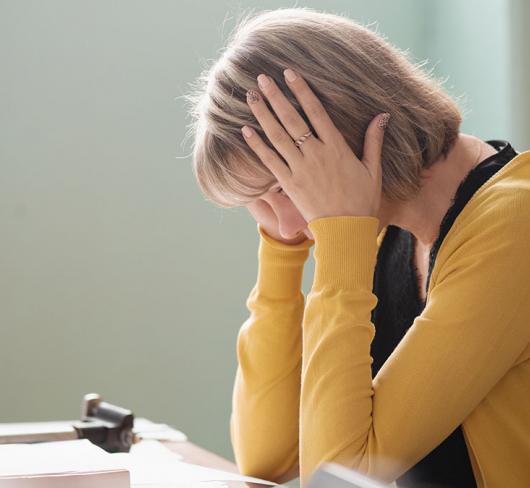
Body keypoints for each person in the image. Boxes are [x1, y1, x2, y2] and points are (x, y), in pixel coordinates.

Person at [183, 7, 530, 488]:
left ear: (346, 131)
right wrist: (282, 253)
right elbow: (269, 458)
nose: (288, 223)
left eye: (286, 187)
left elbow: (337, 476)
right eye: (262, 203)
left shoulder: (515, 224)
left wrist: (340, 232)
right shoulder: (385, 229)